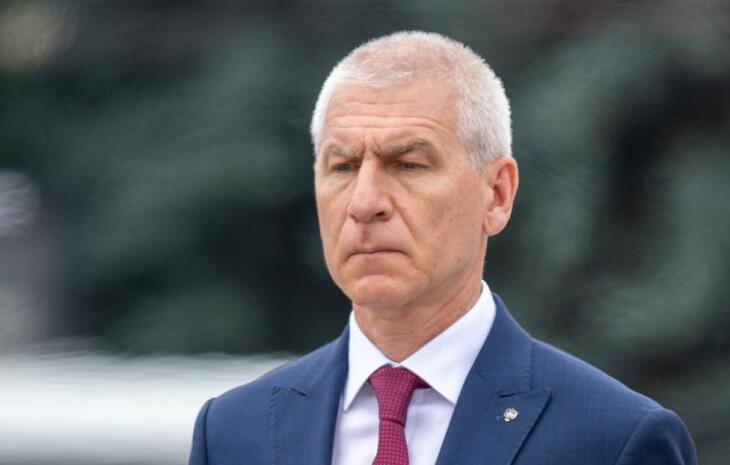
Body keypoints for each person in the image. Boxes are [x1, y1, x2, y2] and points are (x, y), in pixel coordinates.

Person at [188, 31, 697, 465]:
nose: (364, 202)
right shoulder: (234, 433)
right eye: (342, 166)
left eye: (408, 164)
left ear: (497, 194)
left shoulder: (613, 440)